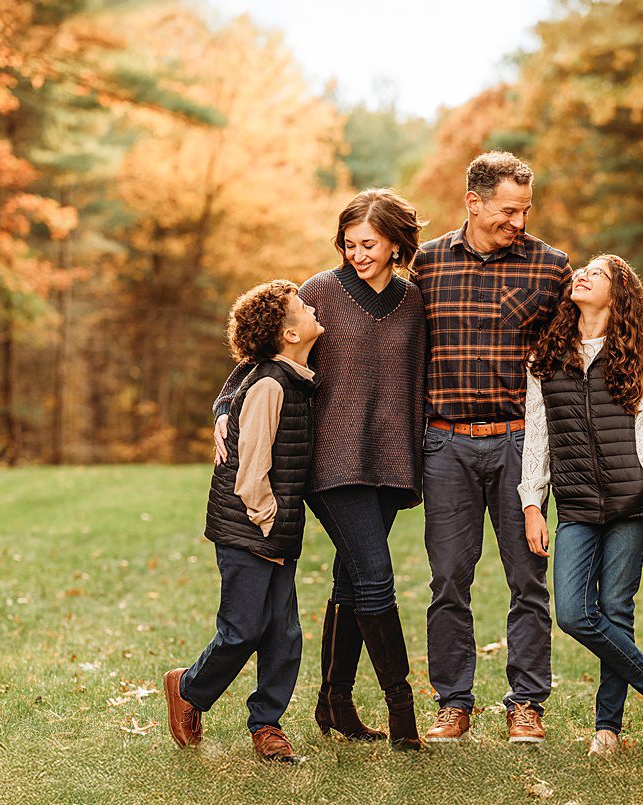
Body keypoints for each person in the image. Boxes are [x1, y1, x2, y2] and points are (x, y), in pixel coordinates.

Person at [212, 189, 428, 750]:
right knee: (376, 577)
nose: (357, 254)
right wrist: (222, 408)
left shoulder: (413, 301)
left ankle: (334, 701)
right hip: (330, 461)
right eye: (349, 244)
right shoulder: (318, 294)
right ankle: (402, 711)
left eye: (370, 244)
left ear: (396, 243)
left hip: (392, 458)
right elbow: (260, 357)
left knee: (352, 581)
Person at [413, 151, 570, 744]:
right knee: (448, 580)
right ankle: (454, 702)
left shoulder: (552, 267)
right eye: (508, 210)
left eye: (525, 211)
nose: (519, 222)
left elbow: (566, 361)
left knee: (528, 579)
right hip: (446, 443)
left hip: (519, 445)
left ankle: (526, 702)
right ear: (473, 203)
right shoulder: (427, 266)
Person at [518, 254, 643, 757]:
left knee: (616, 610)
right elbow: (538, 435)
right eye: (584, 271)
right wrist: (532, 504)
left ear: (617, 294)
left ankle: (607, 728)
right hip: (574, 504)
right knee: (575, 613)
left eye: (597, 274)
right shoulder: (547, 355)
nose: (583, 276)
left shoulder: (632, 354)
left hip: (630, 502)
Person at [163, 279, 324, 764]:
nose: (313, 307)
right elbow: (251, 469)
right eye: (302, 306)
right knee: (242, 629)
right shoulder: (271, 384)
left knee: (285, 632)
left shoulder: (292, 376)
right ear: (289, 334)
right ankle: (187, 688)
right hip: (252, 527)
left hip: (276, 527)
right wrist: (266, 518)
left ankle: (267, 724)